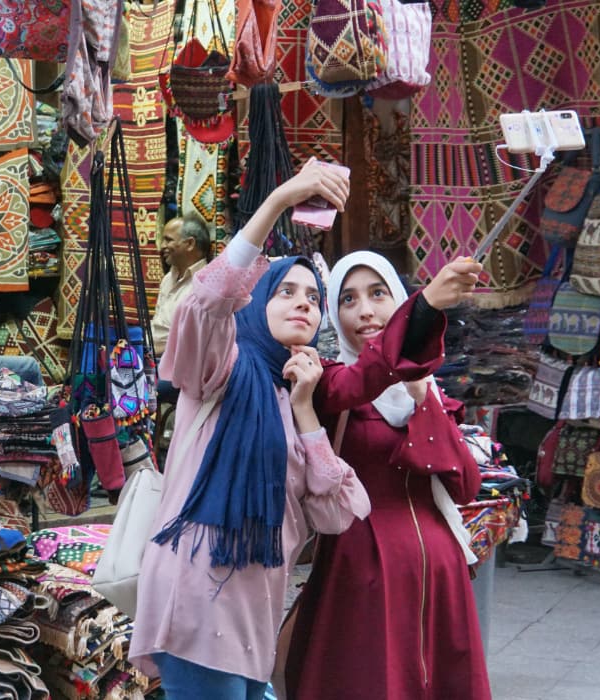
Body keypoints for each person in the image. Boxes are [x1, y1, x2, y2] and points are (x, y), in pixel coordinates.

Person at [127, 159, 372, 699]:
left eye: (312, 297)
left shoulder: (288, 396)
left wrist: (307, 408)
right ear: (256, 304)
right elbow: (207, 303)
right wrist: (280, 199)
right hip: (196, 599)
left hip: (253, 613)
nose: (303, 303)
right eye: (285, 291)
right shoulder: (220, 367)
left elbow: (335, 512)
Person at [283, 251, 492, 700]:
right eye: (348, 299)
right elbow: (363, 379)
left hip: (438, 573)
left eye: (378, 294)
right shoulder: (328, 382)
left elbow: (465, 483)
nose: (365, 311)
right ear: (333, 316)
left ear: (395, 300)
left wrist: (424, 400)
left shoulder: (426, 385)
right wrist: (426, 308)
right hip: (361, 569)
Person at [151, 214, 212, 357]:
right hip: (154, 360)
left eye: (168, 240)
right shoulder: (168, 278)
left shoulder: (206, 284)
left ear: (190, 244)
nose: (162, 246)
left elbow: (196, 340)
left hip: (178, 366)